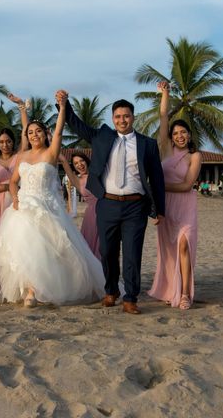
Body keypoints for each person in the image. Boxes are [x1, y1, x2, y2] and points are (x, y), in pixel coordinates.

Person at [59, 90, 165, 314]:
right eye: (117, 116)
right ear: (112, 118)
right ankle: (111, 291)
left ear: (133, 117)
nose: (122, 120)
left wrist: (159, 210)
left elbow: (156, 178)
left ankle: (130, 297)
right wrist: (64, 103)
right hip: (107, 203)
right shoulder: (102, 137)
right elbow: (76, 124)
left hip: (136, 206)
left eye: (126, 116)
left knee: (132, 253)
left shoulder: (147, 144)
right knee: (107, 251)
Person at [0, 96, 105, 307]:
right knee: (23, 246)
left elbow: (60, 130)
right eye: (30, 132)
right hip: (23, 205)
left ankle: (35, 290)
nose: (34, 135)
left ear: (45, 134)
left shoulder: (51, 153)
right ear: (26, 135)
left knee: (47, 249)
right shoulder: (22, 156)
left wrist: (62, 107)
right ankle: (29, 289)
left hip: (46, 206)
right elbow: (13, 182)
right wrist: (15, 199)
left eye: (38, 131)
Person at [148, 81, 202, 310]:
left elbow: (188, 185)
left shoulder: (195, 156)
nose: (180, 136)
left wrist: (157, 186)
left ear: (189, 135)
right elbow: (162, 118)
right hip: (166, 207)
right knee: (169, 250)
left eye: (184, 132)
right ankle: (171, 288)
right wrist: (165, 94)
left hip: (185, 205)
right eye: (176, 133)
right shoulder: (166, 149)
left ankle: (185, 294)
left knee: (183, 245)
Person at [0, 93, 29, 229]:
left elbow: (25, 131)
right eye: (1, 142)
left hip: (17, 199)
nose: (5, 145)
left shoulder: (19, 155)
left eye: (8, 141)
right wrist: (7, 186)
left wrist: (21, 105)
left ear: (13, 142)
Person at [59, 151, 100, 259]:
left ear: (86, 161)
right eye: (76, 163)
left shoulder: (98, 173)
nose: (79, 164)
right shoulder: (76, 180)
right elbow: (63, 161)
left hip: (106, 211)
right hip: (91, 216)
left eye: (81, 161)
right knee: (90, 248)